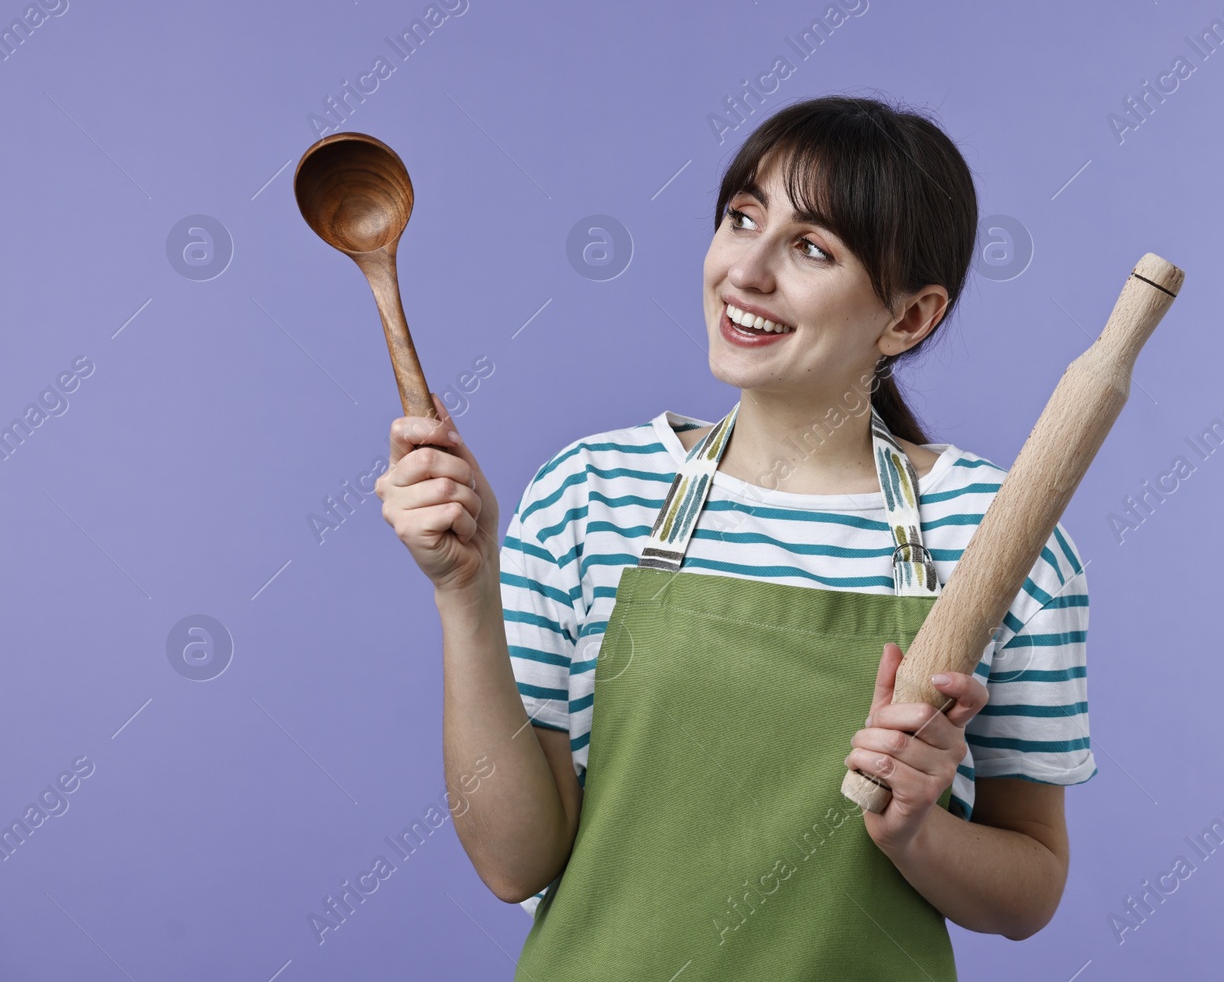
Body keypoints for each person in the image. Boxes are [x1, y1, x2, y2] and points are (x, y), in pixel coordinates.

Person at [376, 93, 1096, 980]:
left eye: (810, 248)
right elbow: (514, 862)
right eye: (741, 218)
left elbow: (1030, 889)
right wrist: (465, 595)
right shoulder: (590, 494)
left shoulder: (1000, 537)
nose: (744, 271)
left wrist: (920, 828)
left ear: (908, 318)